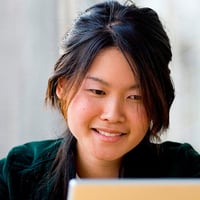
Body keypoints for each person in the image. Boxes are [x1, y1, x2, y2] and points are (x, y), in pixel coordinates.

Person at [0, 0, 200, 199]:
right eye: (97, 91)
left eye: (135, 96)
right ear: (62, 87)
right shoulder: (16, 177)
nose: (113, 115)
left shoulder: (186, 173)